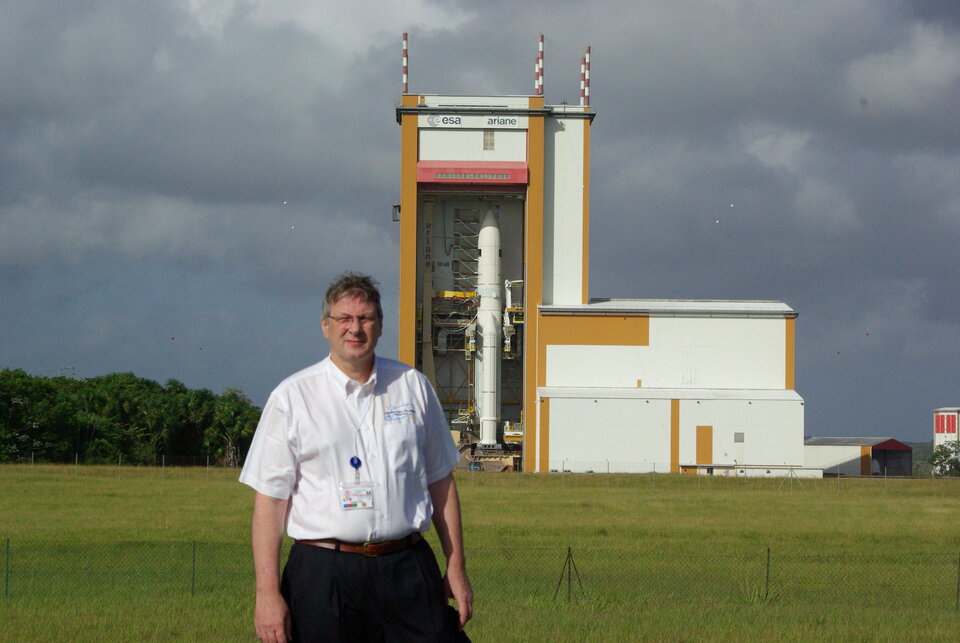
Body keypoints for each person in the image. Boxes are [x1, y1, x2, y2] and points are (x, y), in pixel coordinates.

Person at [239, 273, 473, 642]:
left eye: (365, 319)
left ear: (380, 326)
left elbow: (440, 480)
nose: (355, 329)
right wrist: (267, 593)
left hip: (407, 567)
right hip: (323, 574)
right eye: (344, 319)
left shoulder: (412, 387)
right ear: (325, 326)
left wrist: (455, 564)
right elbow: (269, 502)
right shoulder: (292, 397)